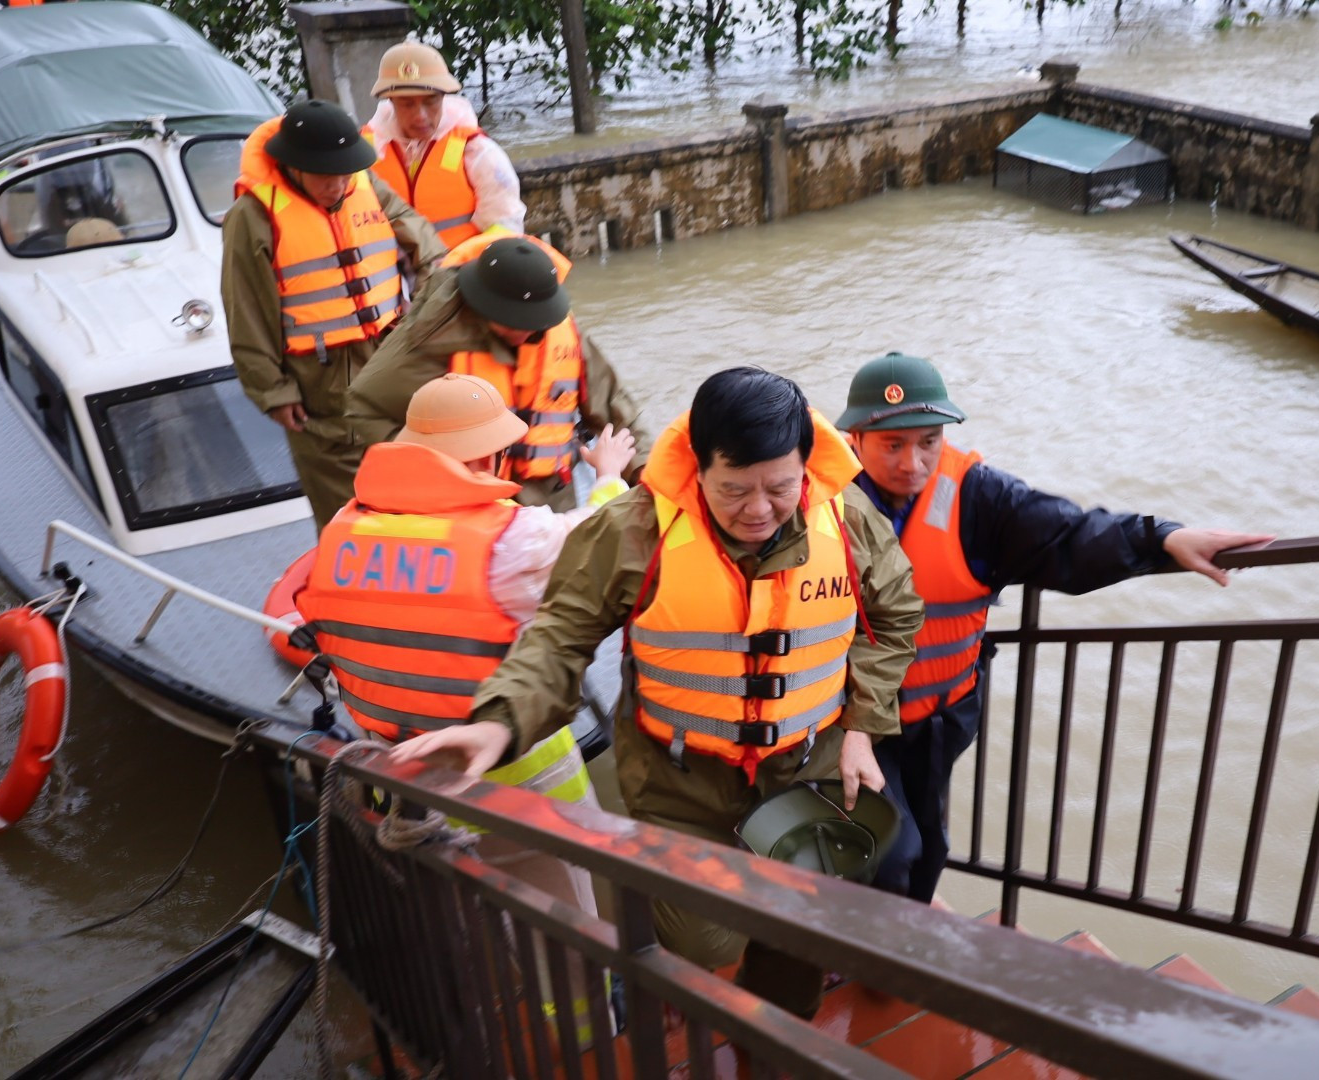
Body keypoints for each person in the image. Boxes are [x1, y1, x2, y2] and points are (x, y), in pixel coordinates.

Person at [392, 367, 923, 1019]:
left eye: (780, 487)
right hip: (680, 780)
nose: (759, 510)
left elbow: (897, 614)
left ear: (805, 468)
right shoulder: (633, 529)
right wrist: (499, 721)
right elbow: (560, 635)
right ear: (698, 467)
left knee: (800, 928)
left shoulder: (847, 520)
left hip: (804, 768)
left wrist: (863, 726)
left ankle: (775, 1035)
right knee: (703, 938)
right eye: (734, 489)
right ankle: (700, 983)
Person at [835, 352, 1274, 904]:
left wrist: (1162, 536)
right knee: (888, 849)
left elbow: (1068, 536)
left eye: (929, 442)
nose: (913, 462)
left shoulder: (978, 496)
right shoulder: (821, 499)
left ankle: (905, 932)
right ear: (854, 439)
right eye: (892, 445)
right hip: (851, 719)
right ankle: (859, 933)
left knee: (931, 844)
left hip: (941, 714)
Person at [306, 372, 632, 1045]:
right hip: (516, 779)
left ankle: (483, 1022)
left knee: (471, 914)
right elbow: (601, 538)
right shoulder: (513, 540)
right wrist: (608, 474)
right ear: (488, 457)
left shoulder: (345, 527)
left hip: (404, 775)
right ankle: (589, 1037)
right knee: (566, 925)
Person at [221, 99, 446, 531]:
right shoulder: (251, 217)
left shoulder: (365, 184)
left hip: (390, 365)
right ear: (295, 166)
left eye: (345, 173)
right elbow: (245, 312)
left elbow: (426, 247)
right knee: (348, 521)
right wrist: (273, 391)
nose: (339, 185)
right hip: (319, 388)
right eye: (327, 176)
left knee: (418, 500)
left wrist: (426, 314)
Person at [346, 232, 650, 511]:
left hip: (553, 507)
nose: (529, 330)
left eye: (536, 320)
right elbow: (363, 406)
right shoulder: (432, 340)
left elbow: (618, 411)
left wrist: (648, 475)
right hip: (469, 509)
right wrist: (427, 468)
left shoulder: (560, 330)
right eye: (517, 322)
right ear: (485, 306)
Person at [363, 41, 526, 247]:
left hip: (460, 264)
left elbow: (506, 226)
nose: (420, 116)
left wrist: (463, 262)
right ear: (390, 100)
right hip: (389, 266)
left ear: (443, 97)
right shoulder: (365, 150)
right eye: (407, 104)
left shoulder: (476, 150)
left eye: (430, 101)